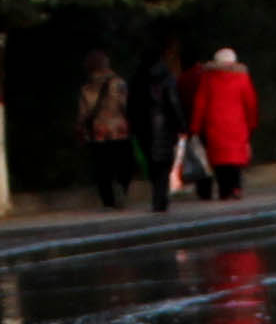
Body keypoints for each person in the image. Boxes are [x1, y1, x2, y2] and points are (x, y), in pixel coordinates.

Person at [188, 45, 259, 203]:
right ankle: (236, 186)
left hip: (215, 125)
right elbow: (250, 103)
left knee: (219, 160)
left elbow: (200, 103)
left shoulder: (208, 78)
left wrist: (195, 126)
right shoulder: (242, 78)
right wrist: (252, 123)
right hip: (237, 125)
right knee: (235, 158)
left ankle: (224, 189)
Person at [74, 48, 137, 210]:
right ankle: (122, 188)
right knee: (124, 163)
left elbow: (82, 113)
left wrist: (81, 128)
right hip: (119, 129)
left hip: (98, 132)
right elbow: (126, 105)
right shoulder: (118, 83)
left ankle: (108, 201)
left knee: (102, 168)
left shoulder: (86, 88)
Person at [136, 44, 191, 215]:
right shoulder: (166, 78)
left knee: (152, 161)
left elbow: (132, 105)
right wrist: (181, 125)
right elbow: (173, 102)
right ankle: (160, 199)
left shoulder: (138, 78)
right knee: (164, 161)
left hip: (144, 125)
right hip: (164, 125)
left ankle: (157, 198)